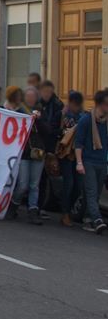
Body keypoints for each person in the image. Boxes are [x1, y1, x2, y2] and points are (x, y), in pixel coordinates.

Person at [7, 87, 47, 225]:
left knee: (34, 184)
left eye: (33, 96)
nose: (30, 99)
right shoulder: (20, 112)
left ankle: (33, 210)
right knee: (23, 184)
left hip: (38, 153)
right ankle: (13, 205)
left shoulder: (42, 112)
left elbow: (48, 131)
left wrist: (38, 120)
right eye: (28, 96)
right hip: (24, 153)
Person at [74, 89, 108, 234]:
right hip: (88, 161)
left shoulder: (106, 122)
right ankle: (98, 220)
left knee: (95, 193)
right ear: (101, 104)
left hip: (102, 162)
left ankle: (88, 219)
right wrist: (79, 162)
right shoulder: (86, 120)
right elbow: (78, 143)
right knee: (91, 191)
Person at [57, 91, 84, 227]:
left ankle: (68, 209)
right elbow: (59, 132)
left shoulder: (83, 116)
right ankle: (65, 213)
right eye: (75, 104)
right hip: (66, 154)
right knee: (69, 183)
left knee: (78, 186)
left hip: (79, 154)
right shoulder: (63, 115)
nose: (76, 107)